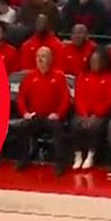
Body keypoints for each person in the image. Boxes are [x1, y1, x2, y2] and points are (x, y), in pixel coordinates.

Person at [14, 47, 70, 176]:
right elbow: (21, 97)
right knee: (23, 127)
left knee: (58, 129)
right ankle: (24, 159)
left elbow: (65, 99)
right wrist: (25, 113)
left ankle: (59, 162)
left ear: (50, 59)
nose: (39, 59)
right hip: (35, 115)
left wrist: (58, 114)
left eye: (43, 56)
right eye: (38, 56)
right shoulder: (29, 76)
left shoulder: (59, 76)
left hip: (52, 116)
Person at [72, 47, 111, 170]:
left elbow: (109, 100)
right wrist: (84, 114)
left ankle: (91, 155)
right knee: (75, 124)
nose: (94, 64)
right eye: (92, 61)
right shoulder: (83, 76)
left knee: (95, 126)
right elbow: (79, 97)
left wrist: (96, 115)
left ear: (103, 62)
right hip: (83, 112)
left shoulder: (109, 78)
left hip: (101, 114)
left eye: (97, 61)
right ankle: (78, 155)